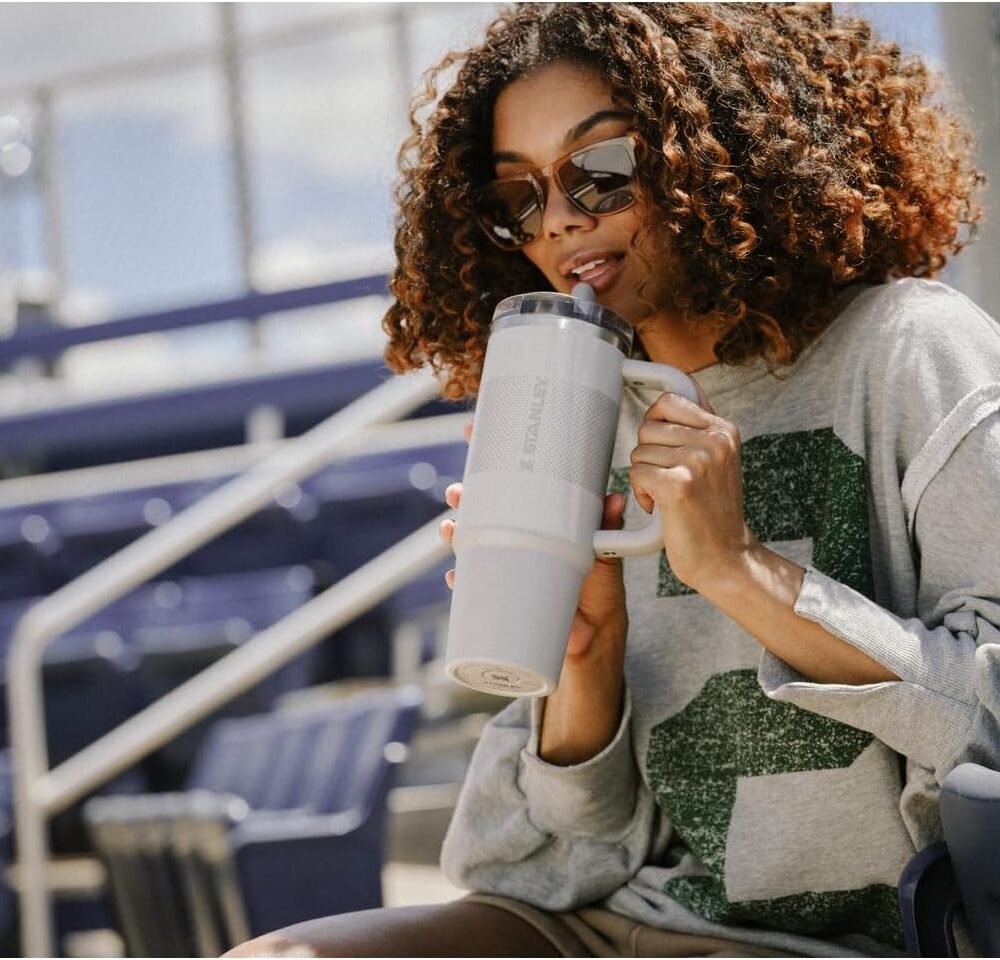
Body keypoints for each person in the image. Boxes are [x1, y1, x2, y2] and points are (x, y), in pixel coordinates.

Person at [227, 3, 1000, 956]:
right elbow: (558, 858)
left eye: (600, 170)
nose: (559, 219)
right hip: (627, 922)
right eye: (518, 196)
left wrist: (739, 572)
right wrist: (583, 663)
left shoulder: (912, 348)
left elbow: (992, 715)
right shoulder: (573, 410)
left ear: (718, 152)